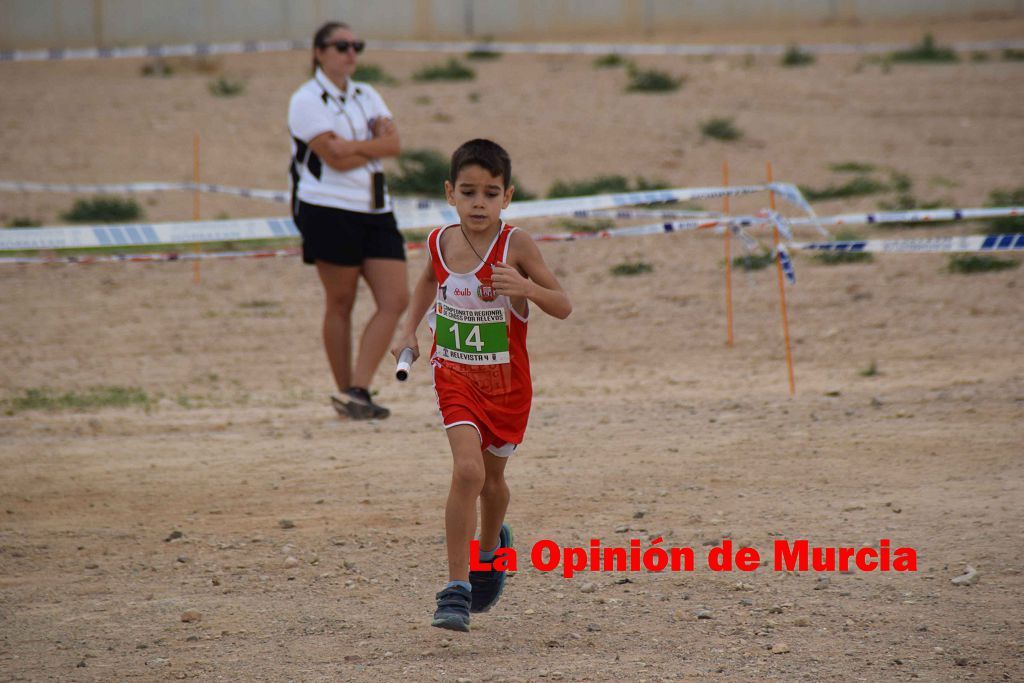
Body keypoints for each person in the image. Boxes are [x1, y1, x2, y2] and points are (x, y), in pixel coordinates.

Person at [391, 139, 572, 632]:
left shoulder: (518, 246)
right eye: (468, 191)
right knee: (467, 472)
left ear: (507, 197)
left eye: (490, 193)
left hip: (507, 384)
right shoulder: (439, 241)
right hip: (455, 377)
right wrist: (409, 328)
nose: (478, 203)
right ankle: (456, 587)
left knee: (493, 484)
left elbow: (563, 304)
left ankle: (491, 550)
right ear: (450, 192)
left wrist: (527, 289)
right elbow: (428, 281)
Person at [288, 21, 408, 419]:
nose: (350, 52)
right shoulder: (305, 100)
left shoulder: (367, 93)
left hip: (375, 208)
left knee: (396, 299)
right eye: (341, 46)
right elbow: (332, 158)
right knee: (340, 301)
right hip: (328, 208)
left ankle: (358, 388)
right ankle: (347, 394)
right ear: (319, 51)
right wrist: (370, 148)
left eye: (356, 44)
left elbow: (393, 144)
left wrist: (355, 146)